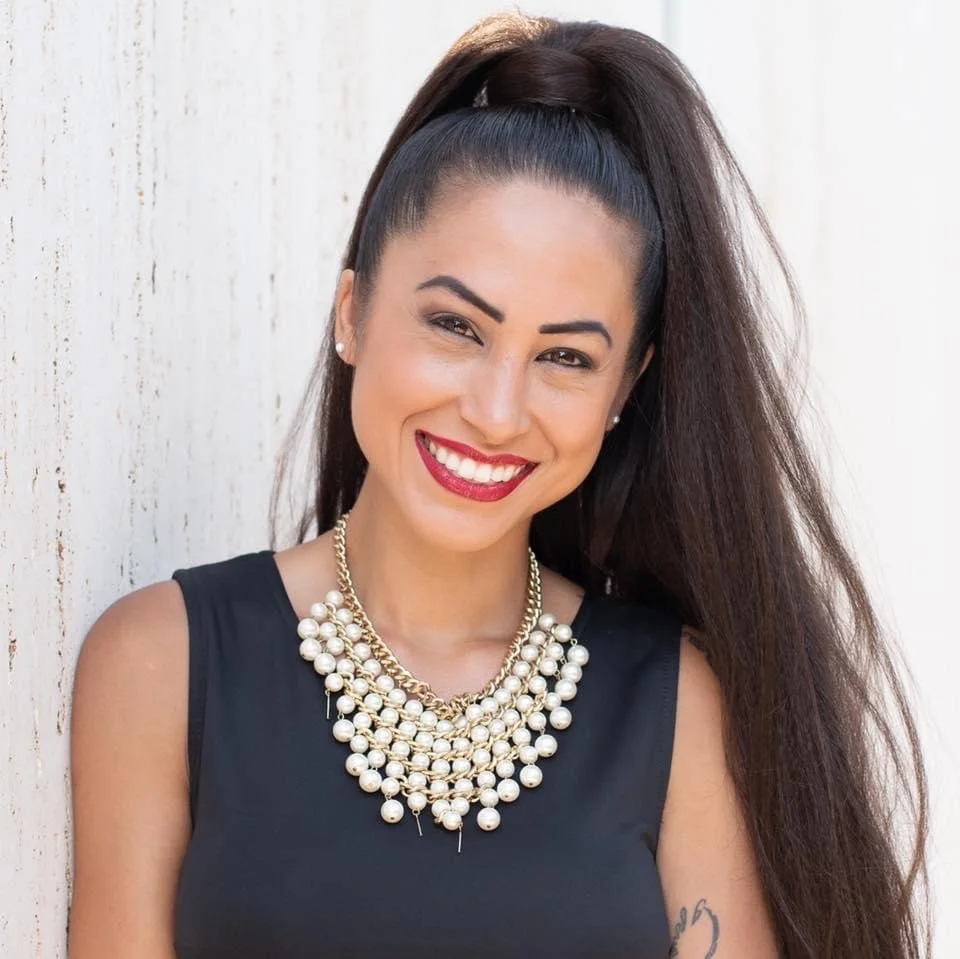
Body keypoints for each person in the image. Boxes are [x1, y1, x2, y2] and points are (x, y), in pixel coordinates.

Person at [67, 12, 929, 959]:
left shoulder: (675, 705)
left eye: (564, 355)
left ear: (623, 390)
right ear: (350, 312)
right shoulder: (163, 663)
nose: (497, 408)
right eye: (457, 327)